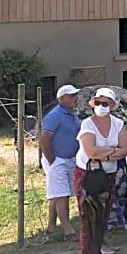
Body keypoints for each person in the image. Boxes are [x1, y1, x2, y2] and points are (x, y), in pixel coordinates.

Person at [73, 88, 127, 254]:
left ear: (112, 106)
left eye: (105, 103)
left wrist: (104, 154)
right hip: (87, 175)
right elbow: (91, 152)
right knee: (88, 217)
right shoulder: (87, 125)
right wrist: (113, 151)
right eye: (98, 103)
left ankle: (96, 253)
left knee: (102, 216)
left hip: (108, 175)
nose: (101, 107)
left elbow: (126, 149)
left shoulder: (118, 124)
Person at [39, 84, 81, 241]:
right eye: (71, 95)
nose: (75, 98)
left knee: (57, 193)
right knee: (62, 194)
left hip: (71, 159)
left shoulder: (73, 114)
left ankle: (51, 226)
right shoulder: (55, 115)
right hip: (58, 160)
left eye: (76, 94)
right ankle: (68, 230)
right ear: (61, 99)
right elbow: (44, 139)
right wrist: (52, 160)